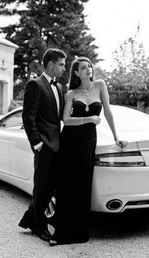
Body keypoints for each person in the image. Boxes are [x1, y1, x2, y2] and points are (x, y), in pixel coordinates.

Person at [49, 56, 127, 246]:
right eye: (83, 68)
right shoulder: (71, 93)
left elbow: (107, 111)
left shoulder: (100, 85)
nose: (88, 69)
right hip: (70, 139)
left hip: (88, 140)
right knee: (67, 185)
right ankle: (62, 233)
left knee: (83, 183)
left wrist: (116, 137)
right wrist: (88, 119)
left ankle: (79, 233)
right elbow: (66, 120)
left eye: (89, 66)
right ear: (76, 72)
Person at [18, 48, 67, 242]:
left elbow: (58, 118)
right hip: (44, 145)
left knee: (51, 185)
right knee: (42, 186)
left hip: (57, 144)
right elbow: (28, 116)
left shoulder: (60, 87)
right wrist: (37, 143)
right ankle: (39, 226)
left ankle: (29, 219)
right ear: (50, 64)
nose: (64, 68)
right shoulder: (35, 85)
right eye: (61, 64)